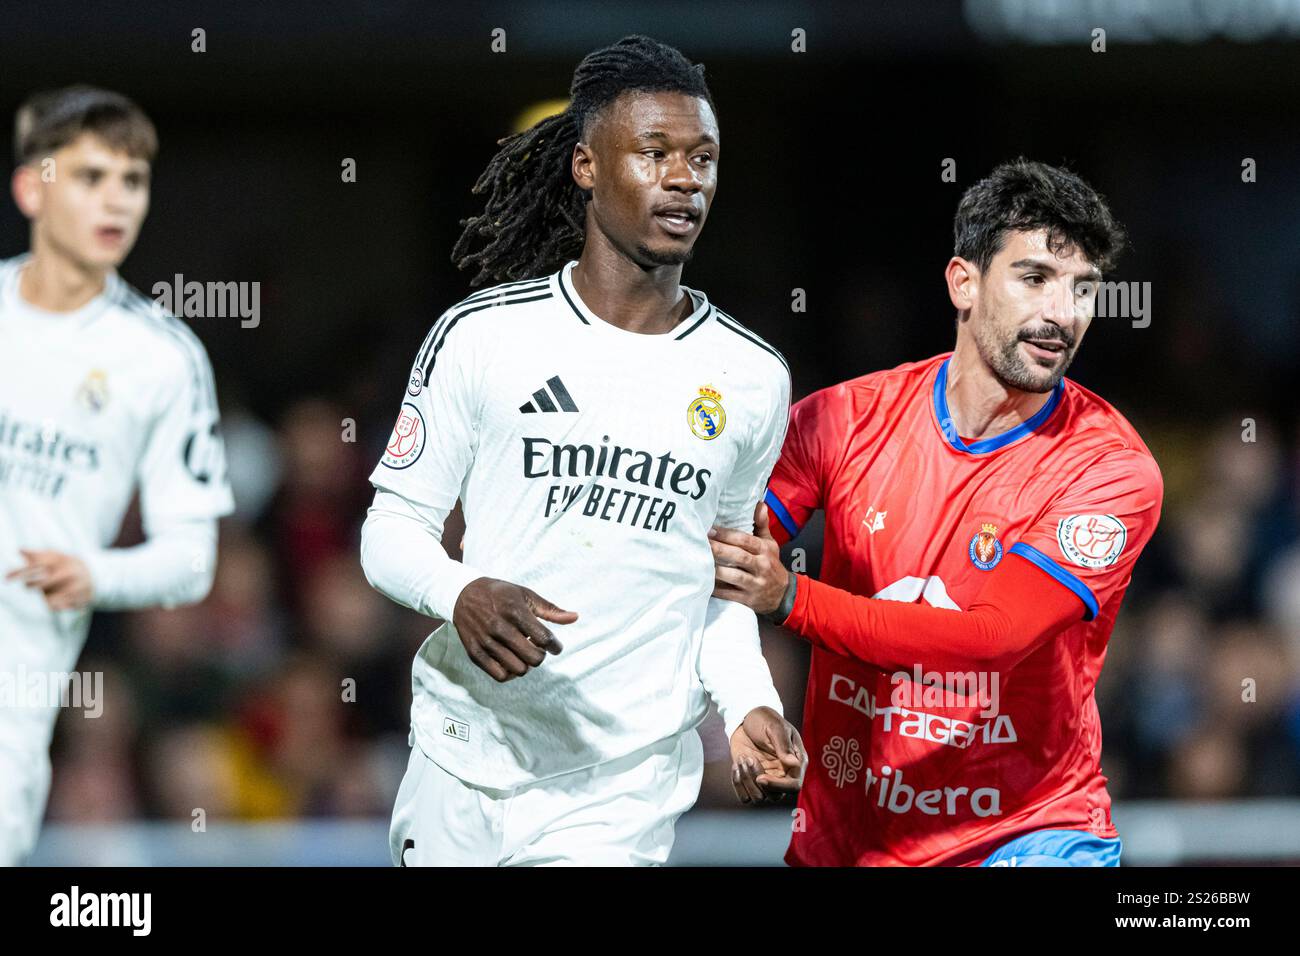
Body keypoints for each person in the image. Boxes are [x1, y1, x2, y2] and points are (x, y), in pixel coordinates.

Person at [360, 35, 805, 867]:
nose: (685, 178)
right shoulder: (484, 336)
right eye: (655, 152)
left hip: (619, 790)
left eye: (704, 157)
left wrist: (748, 702)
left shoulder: (749, 378)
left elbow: (718, 583)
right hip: (462, 754)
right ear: (586, 166)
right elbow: (390, 529)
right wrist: (460, 593)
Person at [711, 159, 1162, 866]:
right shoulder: (841, 420)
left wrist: (790, 598)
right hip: (847, 839)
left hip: (1028, 835)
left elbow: (993, 637)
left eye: (1084, 290)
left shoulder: (1109, 469)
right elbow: (716, 557)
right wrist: (741, 699)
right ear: (964, 283)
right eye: (1035, 278)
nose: (1063, 314)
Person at [0, 86, 233, 865]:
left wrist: (91, 572)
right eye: (92, 177)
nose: (118, 202)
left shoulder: (163, 361)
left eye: (132, 182)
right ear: (34, 188)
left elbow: (191, 561)